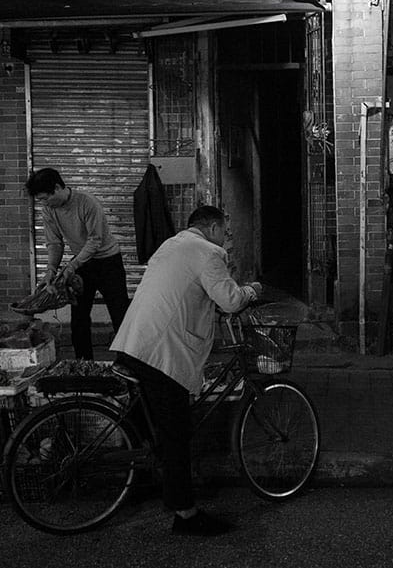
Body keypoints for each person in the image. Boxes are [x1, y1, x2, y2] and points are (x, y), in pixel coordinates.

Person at [109, 205, 262, 537]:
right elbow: (231, 300)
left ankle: (145, 482)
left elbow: (186, 292)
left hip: (134, 342)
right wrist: (253, 290)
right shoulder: (208, 252)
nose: (227, 238)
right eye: (225, 231)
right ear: (211, 228)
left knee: (147, 426)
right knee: (177, 433)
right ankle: (185, 515)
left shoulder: (172, 244)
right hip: (160, 353)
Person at [25, 168, 130, 360]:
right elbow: (54, 243)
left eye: (45, 198)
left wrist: (71, 267)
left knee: (120, 315)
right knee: (79, 318)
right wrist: (50, 270)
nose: (43, 203)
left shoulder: (87, 203)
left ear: (57, 188)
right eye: (40, 200)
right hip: (82, 264)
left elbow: (95, 241)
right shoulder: (49, 210)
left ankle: (127, 363)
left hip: (108, 262)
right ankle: (84, 364)